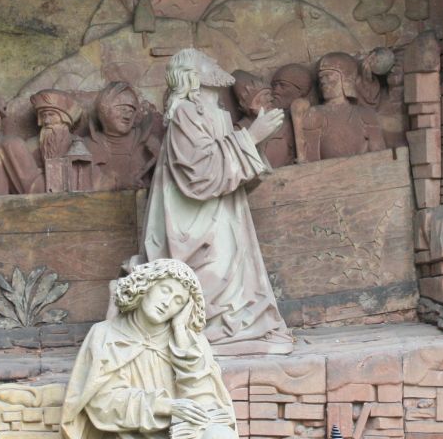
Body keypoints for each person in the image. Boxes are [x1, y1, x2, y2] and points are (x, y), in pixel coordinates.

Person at [57, 259, 267, 439]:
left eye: (178, 301)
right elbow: (100, 404)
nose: (168, 303)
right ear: (145, 287)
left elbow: (204, 398)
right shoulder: (105, 335)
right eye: (165, 291)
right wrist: (167, 406)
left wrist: (183, 338)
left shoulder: (189, 342)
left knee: (220, 436)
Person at [142, 49, 293, 355]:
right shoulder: (186, 112)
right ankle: (215, 330)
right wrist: (249, 139)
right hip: (198, 218)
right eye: (208, 61)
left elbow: (229, 167)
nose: (216, 62)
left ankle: (238, 327)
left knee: (235, 269)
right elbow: (199, 173)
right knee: (216, 269)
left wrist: (255, 141)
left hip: (223, 210)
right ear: (193, 75)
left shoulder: (215, 112)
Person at [292, 51, 385, 162]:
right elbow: (312, 160)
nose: (323, 81)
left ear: (345, 78)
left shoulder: (366, 114)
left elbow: (380, 155)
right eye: (320, 77)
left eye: (328, 75)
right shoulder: (315, 113)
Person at [84, 82, 160, 191]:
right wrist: (118, 183)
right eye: (122, 109)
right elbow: (82, 184)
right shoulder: (87, 146)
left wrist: (160, 160)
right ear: (104, 109)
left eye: (131, 111)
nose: (128, 116)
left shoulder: (149, 143)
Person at [231, 70, 293, 168]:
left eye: (269, 94)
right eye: (263, 95)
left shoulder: (283, 122)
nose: (270, 99)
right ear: (248, 104)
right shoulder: (239, 130)